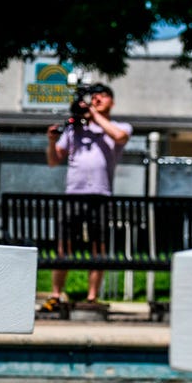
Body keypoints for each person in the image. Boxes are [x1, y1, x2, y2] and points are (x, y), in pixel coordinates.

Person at [44, 83, 132, 306]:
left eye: (103, 96)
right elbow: (54, 161)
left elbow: (120, 136)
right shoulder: (74, 129)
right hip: (74, 193)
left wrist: (92, 114)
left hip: (101, 195)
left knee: (98, 247)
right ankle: (56, 295)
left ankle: (92, 297)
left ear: (112, 101)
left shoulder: (118, 127)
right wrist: (52, 140)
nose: (97, 99)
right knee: (64, 247)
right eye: (94, 97)